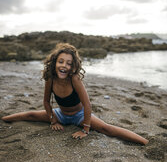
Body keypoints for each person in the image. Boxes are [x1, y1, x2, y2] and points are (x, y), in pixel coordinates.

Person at [2, 43, 148, 145]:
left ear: (73, 67)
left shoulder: (74, 79)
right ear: (54, 63)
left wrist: (85, 129)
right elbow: (46, 102)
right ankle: (3, 118)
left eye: (69, 63)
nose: (64, 66)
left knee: (106, 129)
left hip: (80, 115)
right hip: (60, 114)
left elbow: (87, 104)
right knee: (31, 115)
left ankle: (145, 141)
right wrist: (53, 120)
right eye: (61, 62)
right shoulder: (51, 78)